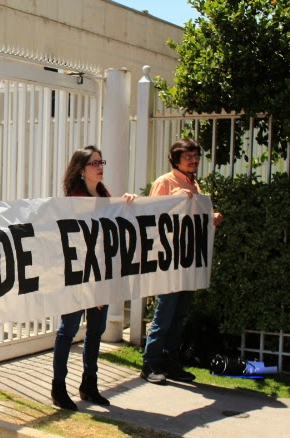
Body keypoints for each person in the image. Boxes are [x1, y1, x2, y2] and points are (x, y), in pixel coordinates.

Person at [51, 145, 136, 411]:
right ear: (80, 169)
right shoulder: (74, 201)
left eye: (102, 162)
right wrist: (89, 286)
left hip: (101, 273)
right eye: (94, 163)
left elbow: (109, 234)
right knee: (68, 330)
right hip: (78, 276)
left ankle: (89, 384)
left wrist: (128, 203)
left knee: (96, 330)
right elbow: (75, 245)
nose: (100, 167)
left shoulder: (104, 196)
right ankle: (59, 387)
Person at [141, 138, 223, 385]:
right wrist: (174, 198)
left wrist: (211, 217)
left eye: (196, 156)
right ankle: (150, 363)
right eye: (189, 156)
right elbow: (151, 217)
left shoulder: (194, 183)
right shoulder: (165, 183)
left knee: (179, 315)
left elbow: (193, 219)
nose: (194, 160)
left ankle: (171, 362)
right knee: (164, 314)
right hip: (169, 262)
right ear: (176, 159)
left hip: (188, 260)